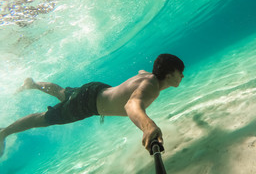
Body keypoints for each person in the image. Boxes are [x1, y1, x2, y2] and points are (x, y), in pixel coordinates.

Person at [0, 54, 184, 157]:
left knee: (63, 93)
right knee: (44, 119)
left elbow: (141, 72)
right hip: (88, 103)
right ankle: (3, 132)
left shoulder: (149, 78)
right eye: (180, 72)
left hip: (95, 90)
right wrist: (148, 126)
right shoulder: (151, 86)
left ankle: (32, 84)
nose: (182, 76)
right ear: (169, 75)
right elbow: (132, 105)